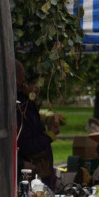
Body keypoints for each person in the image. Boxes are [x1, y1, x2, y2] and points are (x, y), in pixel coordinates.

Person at [15, 61, 59, 190]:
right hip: (29, 174)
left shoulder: (28, 105)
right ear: (22, 83)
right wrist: (49, 135)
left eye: (38, 84)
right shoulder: (20, 107)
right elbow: (25, 145)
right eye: (33, 84)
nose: (37, 88)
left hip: (39, 173)